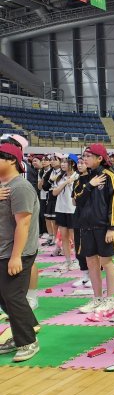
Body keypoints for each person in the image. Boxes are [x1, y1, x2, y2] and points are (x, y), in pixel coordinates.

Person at [0, 143, 41, 362]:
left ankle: (27, 341)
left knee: (13, 296)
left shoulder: (20, 187)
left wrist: (16, 256)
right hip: (3, 249)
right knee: (5, 297)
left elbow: (23, 224)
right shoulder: (3, 185)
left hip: (17, 252)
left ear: (11, 161)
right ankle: (26, 329)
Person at [76, 144, 114, 314]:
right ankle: (97, 298)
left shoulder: (109, 175)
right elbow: (77, 200)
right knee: (91, 262)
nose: (84, 159)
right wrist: (90, 185)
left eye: (88, 156)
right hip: (86, 226)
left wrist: (112, 227)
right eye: (84, 156)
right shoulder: (83, 177)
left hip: (103, 227)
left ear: (99, 158)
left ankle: (110, 298)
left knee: (106, 262)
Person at [51, 154, 80, 273]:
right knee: (64, 237)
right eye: (61, 162)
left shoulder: (78, 176)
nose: (62, 164)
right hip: (61, 209)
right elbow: (54, 193)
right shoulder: (60, 177)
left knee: (75, 237)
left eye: (65, 162)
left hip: (73, 210)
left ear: (72, 163)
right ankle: (68, 261)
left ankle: (78, 260)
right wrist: (65, 182)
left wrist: (71, 181)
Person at [71, 157, 91, 288]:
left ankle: (93, 276)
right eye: (78, 163)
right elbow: (74, 201)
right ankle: (84, 275)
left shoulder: (95, 179)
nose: (80, 165)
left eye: (83, 162)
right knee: (79, 246)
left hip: (91, 217)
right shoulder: (77, 180)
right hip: (78, 216)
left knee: (90, 247)